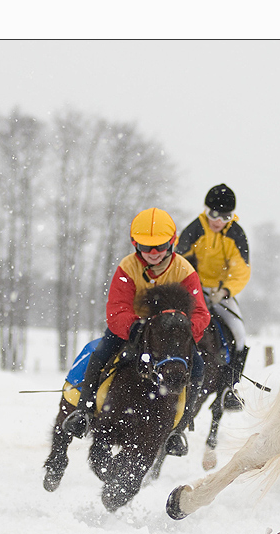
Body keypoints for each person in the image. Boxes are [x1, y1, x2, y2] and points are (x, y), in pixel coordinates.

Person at [62, 207, 211, 443]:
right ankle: (84, 411)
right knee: (100, 354)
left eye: (160, 246)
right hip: (131, 330)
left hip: (170, 335)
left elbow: (201, 312)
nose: (153, 253)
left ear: (172, 242)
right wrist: (135, 327)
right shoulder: (127, 268)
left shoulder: (185, 270)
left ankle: (178, 430)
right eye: (145, 247)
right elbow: (117, 309)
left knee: (199, 367)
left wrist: (182, 328)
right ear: (134, 244)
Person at [176, 183, 251, 412]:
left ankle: (229, 388)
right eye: (213, 214)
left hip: (220, 293)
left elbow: (241, 270)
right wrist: (194, 287)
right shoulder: (193, 230)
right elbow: (182, 262)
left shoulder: (236, 234)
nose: (218, 221)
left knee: (239, 333)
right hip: (191, 289)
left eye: (225, 216)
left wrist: (225, 290)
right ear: (206, 210)